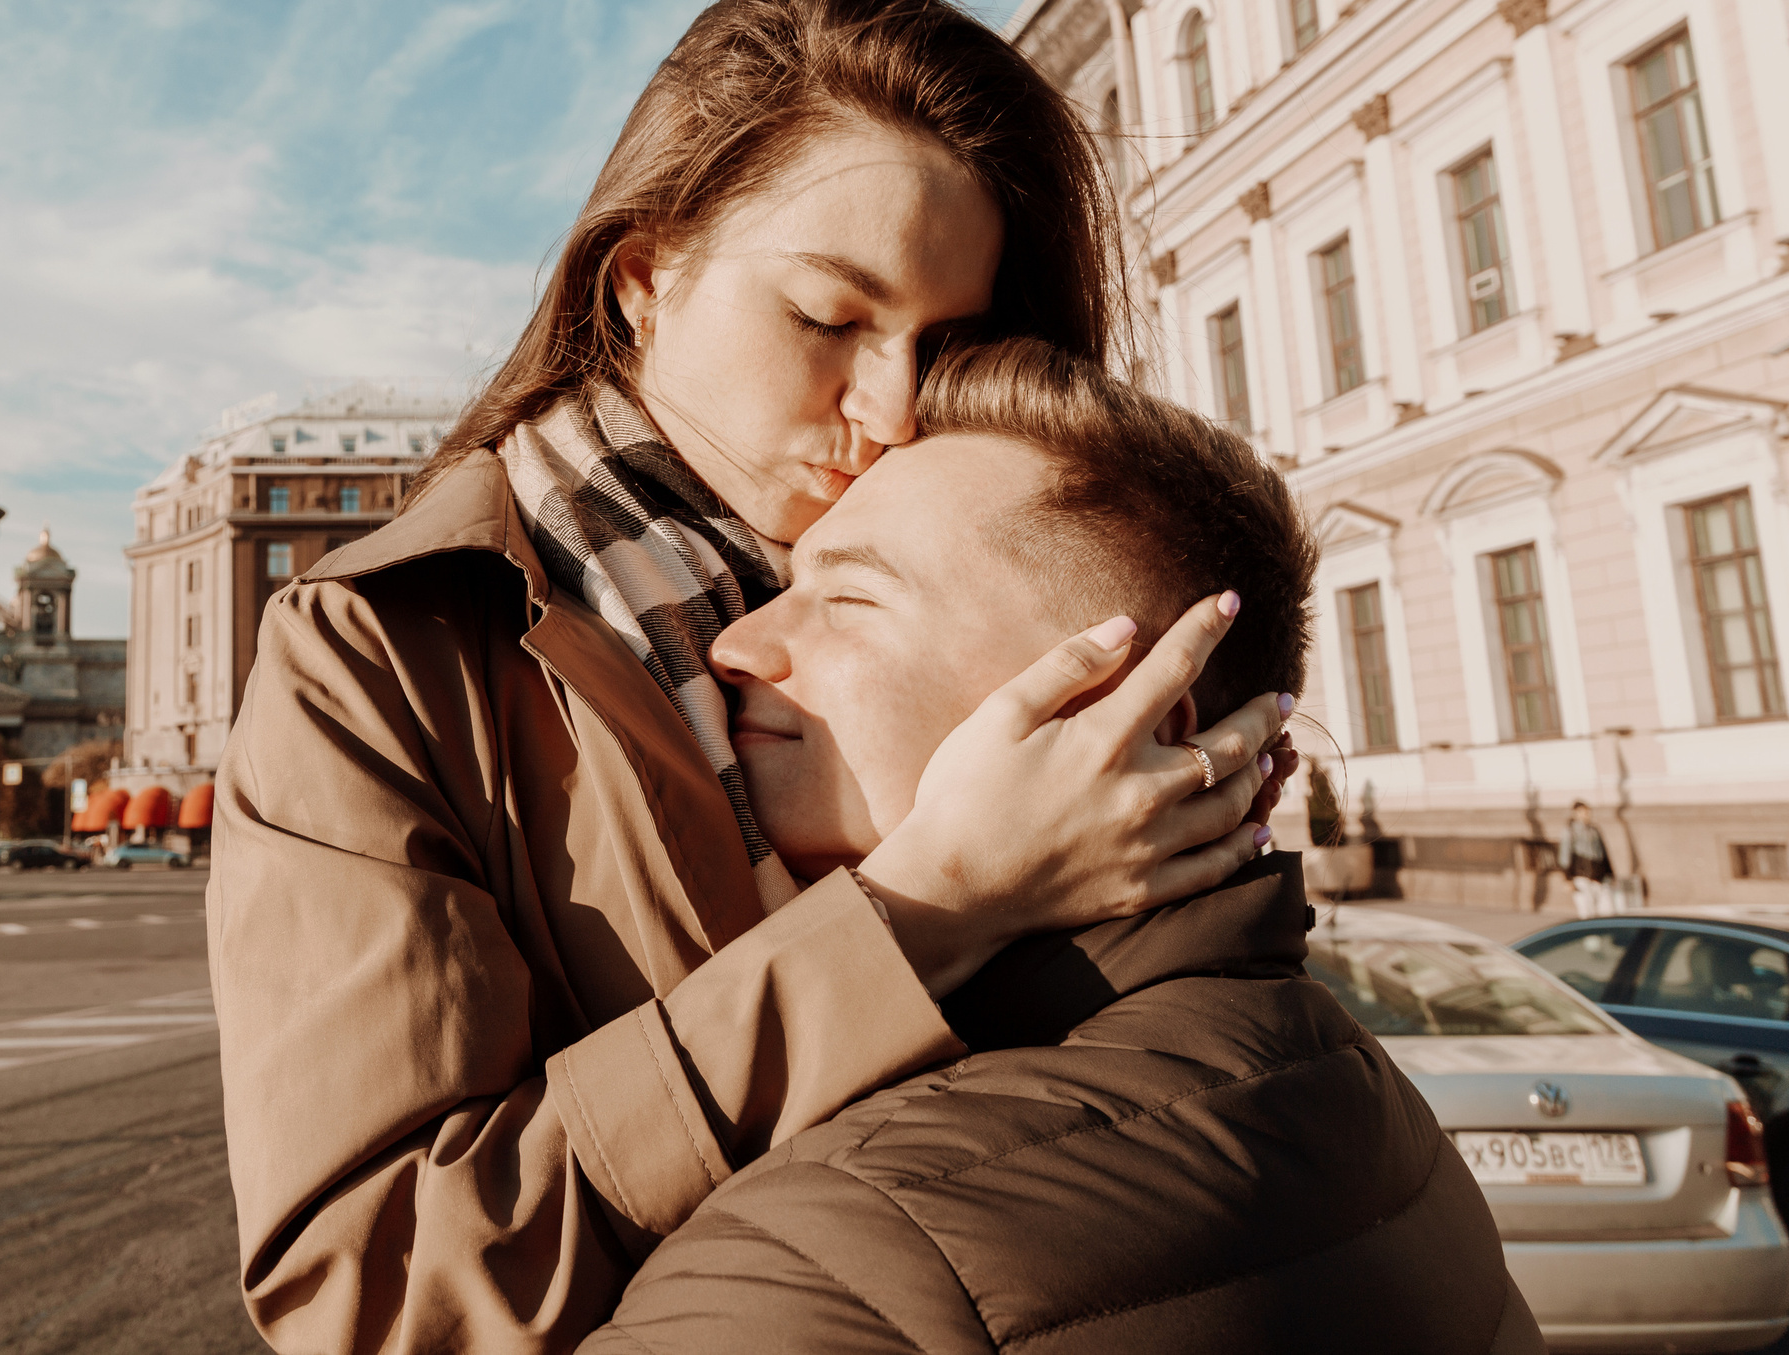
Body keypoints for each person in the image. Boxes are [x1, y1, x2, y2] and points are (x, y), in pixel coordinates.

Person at [209, 0, 1296, 1353]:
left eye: (946, 341)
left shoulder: (990, 571)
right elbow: (377, 1288)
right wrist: (922, 912)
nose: (894, 407)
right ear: (646, 282)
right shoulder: (391, 647)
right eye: (831, 319)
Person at [585, 340, 1541, 1355]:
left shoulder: (828, 1257)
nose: (734, 645)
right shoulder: (1370, 1105)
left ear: (1128, 728)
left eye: (852, 599)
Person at [1560, 801, 1617, 917]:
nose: (1586, 815)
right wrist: (1567, 878)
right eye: (1583, 812)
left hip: (1599, 876)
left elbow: (1604, 853)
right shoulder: (1570, 831)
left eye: (1587, 812)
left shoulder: (1594, 830)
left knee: (1607, 910)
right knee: (1587, 911)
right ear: (1575, 813)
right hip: (1581, 875)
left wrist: (1610, 873)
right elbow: (1564, 855)